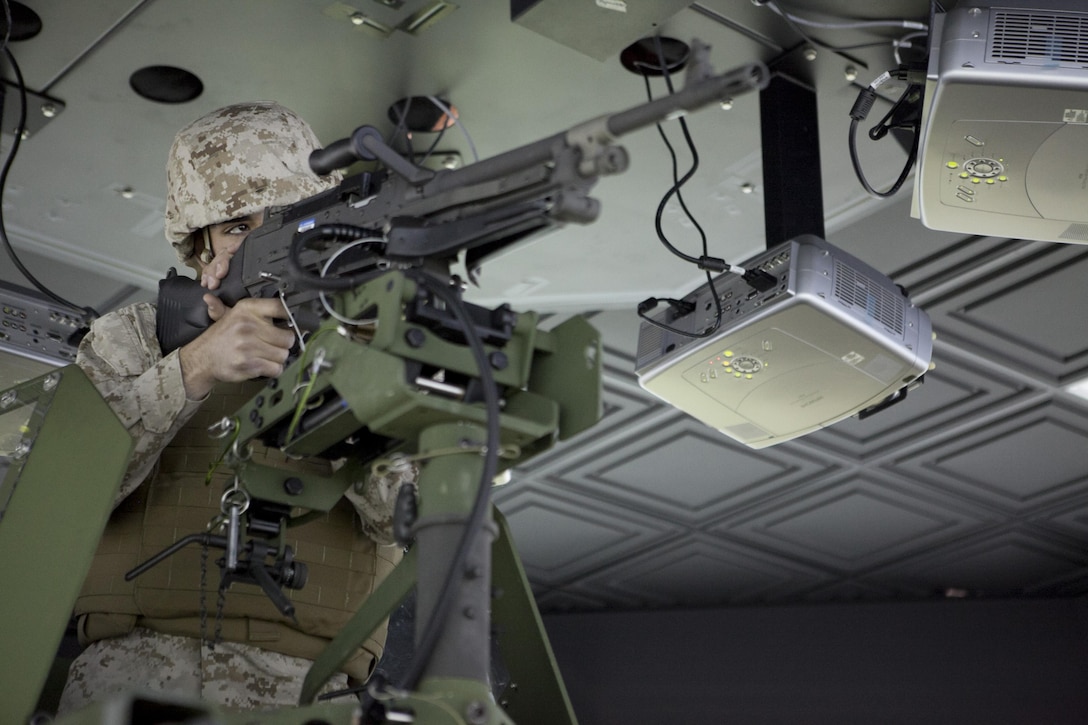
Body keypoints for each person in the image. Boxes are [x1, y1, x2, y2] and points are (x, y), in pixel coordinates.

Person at [57, 101, 413, 712]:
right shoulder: (136, 340)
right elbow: (62, 497)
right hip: (134, 674)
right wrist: (192, 369)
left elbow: (407, 518)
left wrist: (332, 372)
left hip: (309, 691)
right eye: (236, 226)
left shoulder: (377, 346)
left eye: (281, 223)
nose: (256, 246)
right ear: (200, 249)